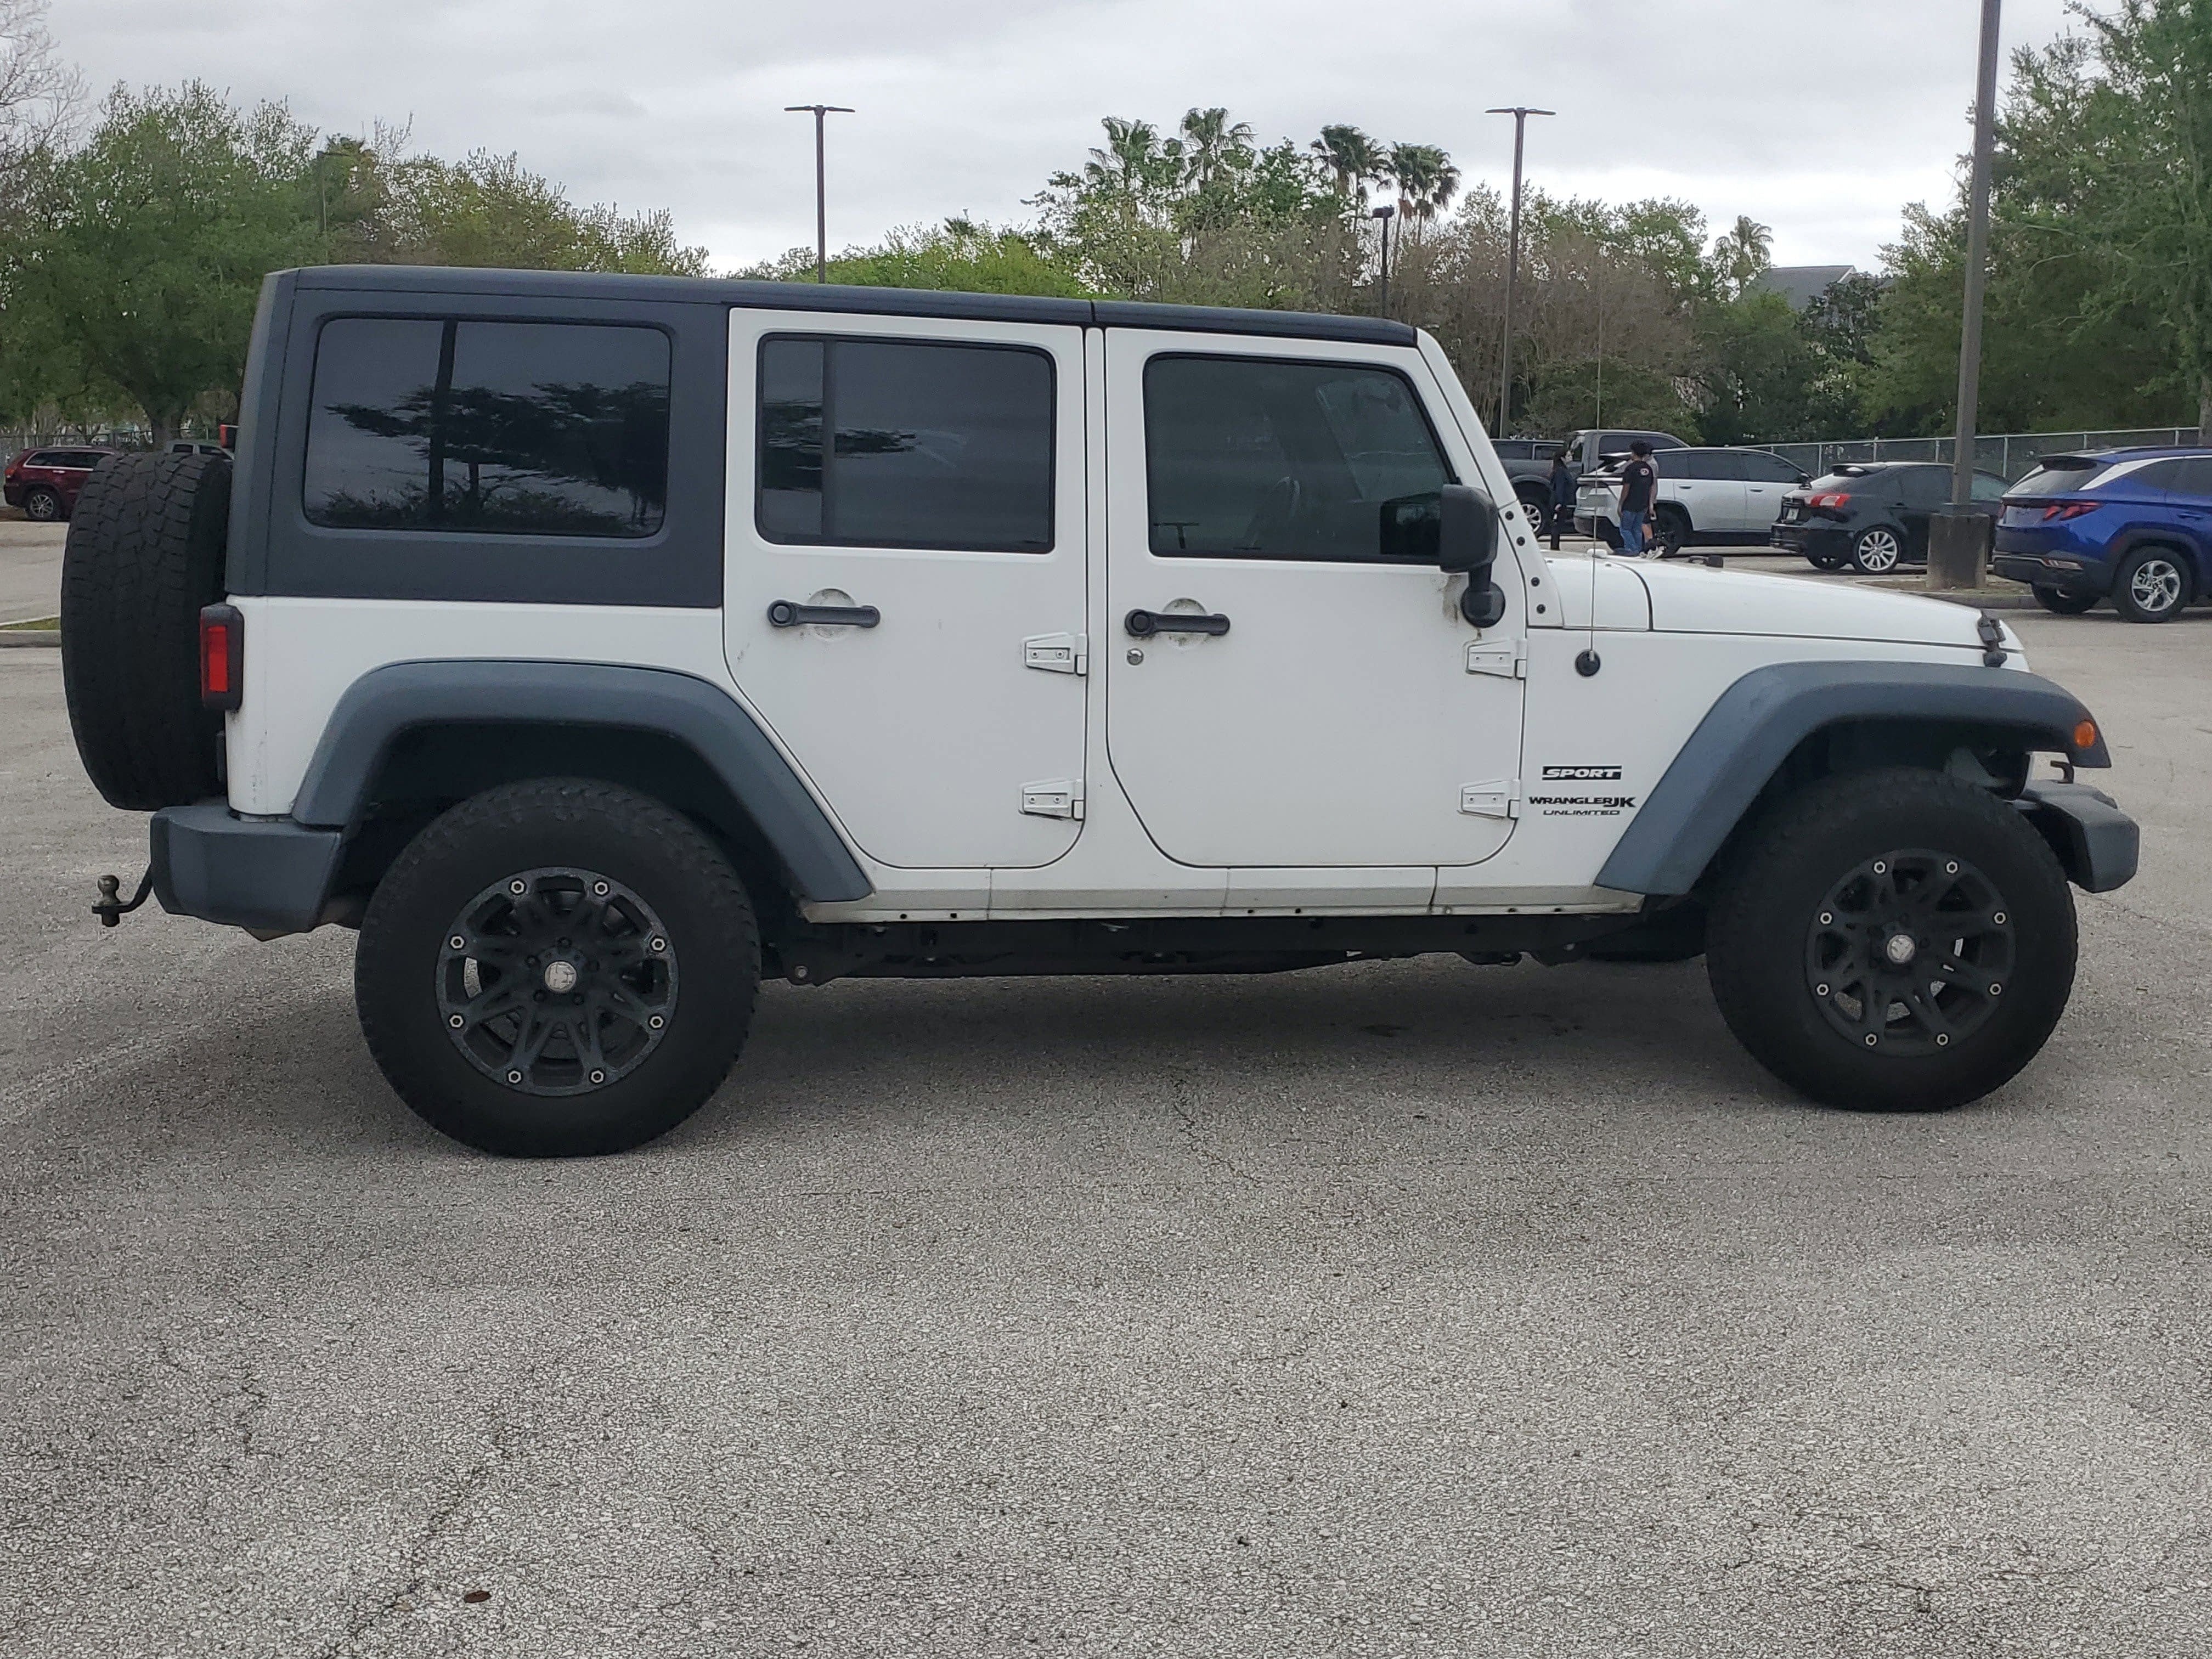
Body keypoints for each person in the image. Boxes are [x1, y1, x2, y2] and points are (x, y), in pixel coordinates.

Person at [1617, 439, 1659, 557]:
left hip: (1630, 503)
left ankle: (1632, 549)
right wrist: (1650, 504)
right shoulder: (1648, 469)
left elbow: (1626, 488)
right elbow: (1651, 487)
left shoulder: (1631, 468)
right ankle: (1640, 551)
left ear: (1634, 453)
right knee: (1637, 529)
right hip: (1643, 504)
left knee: (1625, 529)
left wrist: (1621, 504)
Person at [1545, 450, 1576, 551]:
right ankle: (1555, 546)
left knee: (1559, 524)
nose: (1571, 457)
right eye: (1568, 456)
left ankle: (1555, 545)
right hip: (1559, 501)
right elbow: (1560, 487)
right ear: (1562, 458)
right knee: (1557, 524)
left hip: (1561, 500)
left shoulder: (1561, 470)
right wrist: (1559, 502)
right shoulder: (1561, 471)